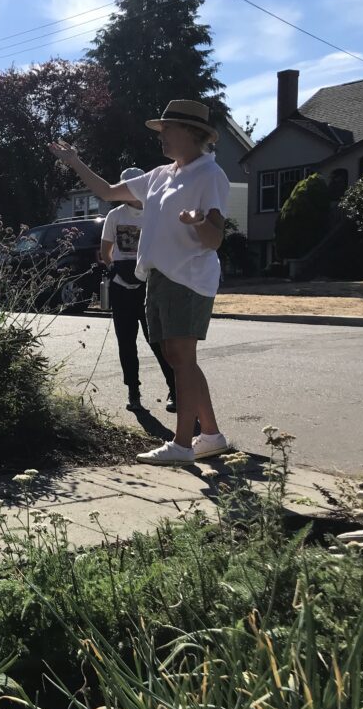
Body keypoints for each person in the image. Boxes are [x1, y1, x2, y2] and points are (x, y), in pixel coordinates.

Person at [50, 100, 231, 465]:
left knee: (181, 357)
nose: (161, 136)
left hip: (189, 276)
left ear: (193, 134)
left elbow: (214, 240)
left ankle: (182, 444)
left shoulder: (211, 176)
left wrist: (199, 221)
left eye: (168, 129)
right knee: (177, 356)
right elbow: (107, 192)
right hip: (159, 275)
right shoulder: (162, 175)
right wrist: (75, 163)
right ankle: (210, 434)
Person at [101, 167, 176, 413]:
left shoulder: (157, 212)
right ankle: (133, 391)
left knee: (158, 341)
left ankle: (174, 390)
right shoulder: (115, 216)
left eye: (135, 184)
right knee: (126, 343)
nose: (131, 190)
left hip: (150, 286)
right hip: (122, 289)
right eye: (127, 185)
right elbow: (106, 250)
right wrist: (114, 268)